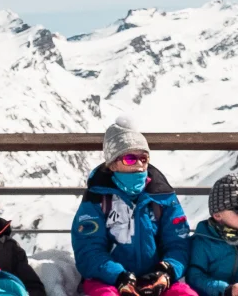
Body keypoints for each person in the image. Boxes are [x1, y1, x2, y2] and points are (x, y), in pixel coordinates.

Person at [72, 117, 195, 296]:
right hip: (109, 279)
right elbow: (89, 249)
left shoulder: (163, 197)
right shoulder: (96, 199)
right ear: (113, 163)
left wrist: (167, 272)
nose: (139, 164)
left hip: (157, 279)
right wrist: (118, 276)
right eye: (130, 158)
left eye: (143, 158)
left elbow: (179, 243)